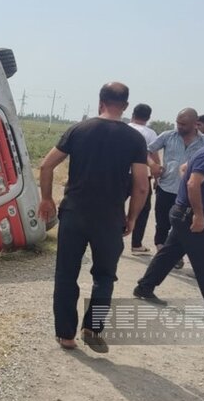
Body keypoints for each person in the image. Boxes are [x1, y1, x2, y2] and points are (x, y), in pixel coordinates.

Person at [39, 82, 149, 353]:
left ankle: (66, 335)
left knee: (66, 274)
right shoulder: (135, 139)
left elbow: (46, 165)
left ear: (100, 102)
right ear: (124, 106)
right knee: (105, 276)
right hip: (110, 218)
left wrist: (46, 199)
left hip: (74, 213)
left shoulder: (79, 129)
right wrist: (132, 217)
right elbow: (142, 185)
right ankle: (93, 327)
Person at [133, 127, 204, 312]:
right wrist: (198, 214)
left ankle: (144, 287)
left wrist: (192, 189)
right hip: (189, 216)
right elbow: (193, 183)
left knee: (168, 256)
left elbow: (184, 169)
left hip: (183, 213)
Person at [148, 108, 204, 268]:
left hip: (188, 193)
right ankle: (162, 253)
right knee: (162, 223)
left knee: (182, 227)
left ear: (195, 124)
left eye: (183, 124)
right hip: (166, 188)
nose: (179, 127)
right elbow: (146, 150)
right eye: (178, 123)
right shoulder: (168, 136)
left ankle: (173, 255)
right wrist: (153, 164)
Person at [128, 103, 159, 256]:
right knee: (142, 209)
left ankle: (114, 238)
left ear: (133, 113)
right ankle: (136, 244)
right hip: (141, 175)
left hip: (120, 174)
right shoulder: (150, 133)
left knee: (116, 205)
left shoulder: (125, 129)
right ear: (148, 117)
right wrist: (156, 175)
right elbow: (153, 156)